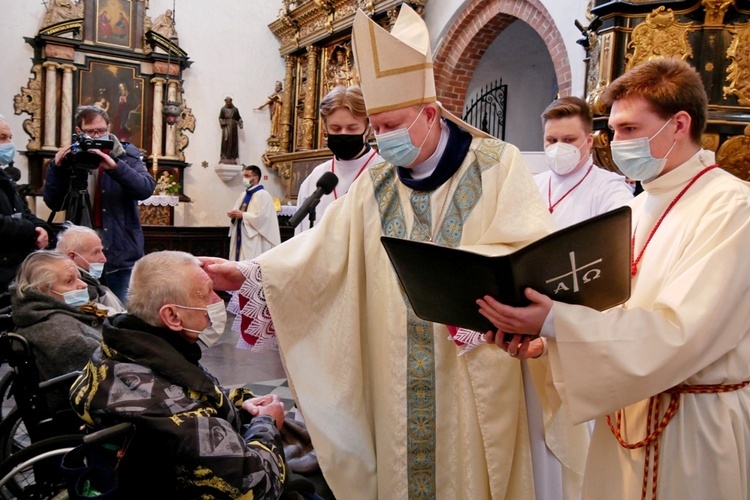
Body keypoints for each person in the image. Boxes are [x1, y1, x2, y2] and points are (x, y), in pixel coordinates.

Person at [202, 6, 587, 499]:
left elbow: (527, 247)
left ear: (429, 114)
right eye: (376, 128)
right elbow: (323, 252)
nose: (381, 138)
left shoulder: (497, 164)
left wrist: (468, 290)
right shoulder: (377, 182)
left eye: (391, 124)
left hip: (473, 366)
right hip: (393, 370)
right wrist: (248, 275)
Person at [478, 57, 750, 499]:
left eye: (629, 130)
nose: (616, 142)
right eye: (614, 129)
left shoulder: (731, 207)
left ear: (678, 124)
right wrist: (546, 344)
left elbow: (682, 332)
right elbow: (613, 308)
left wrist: (554, 322)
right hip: (625, 417)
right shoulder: (639, 207)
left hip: (694, 426)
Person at [69, 251, 287, 498]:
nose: (218, 300)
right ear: (172, 315)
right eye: (206, 293)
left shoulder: (125, 348)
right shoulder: (165, 404)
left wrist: (239, 403)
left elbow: (193, 397)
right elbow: (255, 486)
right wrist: (267, 424)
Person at [43, 105, 156, 303]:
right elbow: (55, 203)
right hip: (80, 254)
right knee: (83, 310)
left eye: (101, 131)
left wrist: (115, 167)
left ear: (109, 128)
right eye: (91, 132)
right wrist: (57, 169)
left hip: (120, 250)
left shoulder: (126, 155)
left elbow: (145, 188)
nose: (97, 136)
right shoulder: (73, 156)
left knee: (120, 311)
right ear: (79, 131)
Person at [10, 250, 103, 414]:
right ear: (43, 290)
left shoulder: (35, 316)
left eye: (79, 277)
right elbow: (108, 379)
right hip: (80, 413)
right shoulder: (60, 334)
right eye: (69, 281)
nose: (83, 285)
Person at [294, 85, 383, 233]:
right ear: (325, 127)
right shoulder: (316, 177)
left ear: (368, 127)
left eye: (352, 128)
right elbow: (300, 237)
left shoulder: (385, 173)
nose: (343, 134)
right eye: (335, 128)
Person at [537, 96, 633, 229]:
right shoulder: (533, 184)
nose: (558, 147)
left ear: (589, 141)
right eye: (552, 140)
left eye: (568, 140)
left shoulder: (609, 188)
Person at [0, 116, 50, 296]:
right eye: (2, 138)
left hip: (14, 272)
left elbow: (24, 212)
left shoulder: (5, 178)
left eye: (10, 137)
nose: (9, 143)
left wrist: (43, 229)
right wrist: (31, 230)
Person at [55, 221, 126, 316]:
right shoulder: (79, 291)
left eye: (101, 251)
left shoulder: (93, 282)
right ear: (72, 256)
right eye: (96, 253)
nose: (104, 259)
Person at [227, 165, 280, 261]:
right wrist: (233, 214)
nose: (244, 178)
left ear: (255, 178)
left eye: (247, 176)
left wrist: (242, 215)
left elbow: (263, 217)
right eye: (244, 176)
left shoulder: (264, 195)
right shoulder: (243, 194)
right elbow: (237, 210)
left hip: (254, 238)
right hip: (241, 233)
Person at [219, 97, 243, 163]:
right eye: (227, 102)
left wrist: (241, 123)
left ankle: (232, 156)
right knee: (225, 141)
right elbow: (220, 117)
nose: (228, 103)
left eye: (229, 102)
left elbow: (239, 118)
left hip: (234, 127)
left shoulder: (235, 109)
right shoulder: (223, 109)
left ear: (231, 101)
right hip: (226, 126)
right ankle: (224, 156)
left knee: (233, 141)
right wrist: (222, 122)